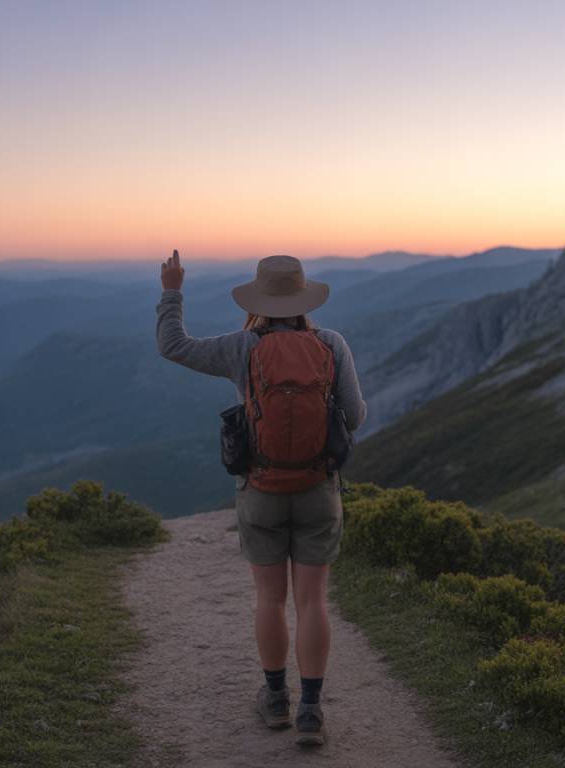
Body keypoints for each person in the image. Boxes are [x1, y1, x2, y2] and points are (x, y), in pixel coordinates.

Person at [156, 249, 367, 746]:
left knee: (270, 599)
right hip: (318, 489)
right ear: (303, 297)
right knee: (313, 601)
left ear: (257, 298)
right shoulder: (330, 344)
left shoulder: (241, 347)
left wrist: (172, 290)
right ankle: (312, 711)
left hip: (261, 490)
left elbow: (173, 346)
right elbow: (354, 418)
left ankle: (276, 700)